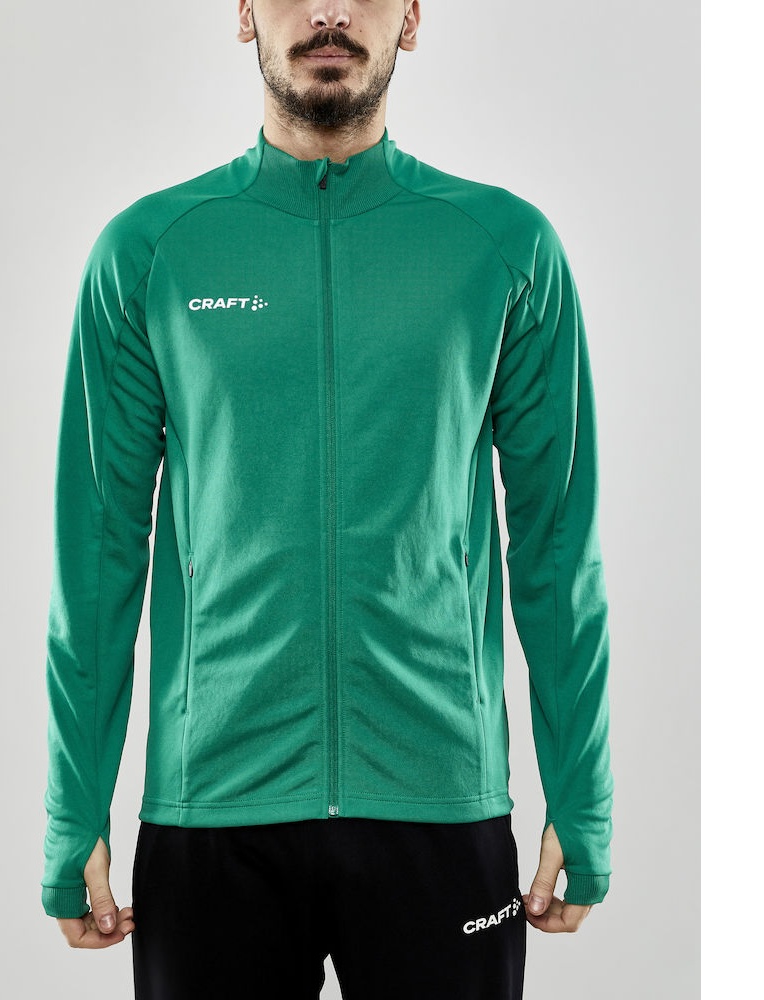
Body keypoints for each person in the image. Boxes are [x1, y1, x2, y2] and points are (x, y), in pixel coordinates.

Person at [40, 2, 615, 997]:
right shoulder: (150, 252)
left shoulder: (504, 247)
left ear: (412, 17)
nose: (329, 11)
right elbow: (96, 557)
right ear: (244, 13)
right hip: (212, 811)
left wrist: (583, 795)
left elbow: (559, 549)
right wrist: (72, 809)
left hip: (439, 806)